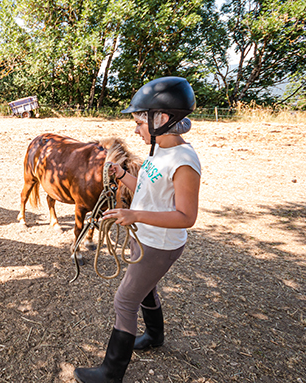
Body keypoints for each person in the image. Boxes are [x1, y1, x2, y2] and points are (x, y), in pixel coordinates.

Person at [73, 77, 201, 383]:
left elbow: (186, 217)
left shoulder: (184, 161)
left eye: (139, 122)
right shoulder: (160, 150)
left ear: (162, 119)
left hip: (160, 243)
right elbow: (147, 190)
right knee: (145, 290)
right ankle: (155, 337)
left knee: (124, 301)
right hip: (147, 236)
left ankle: (111, 372)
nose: (135, 129)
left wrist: (134, 214)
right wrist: (122, 177)